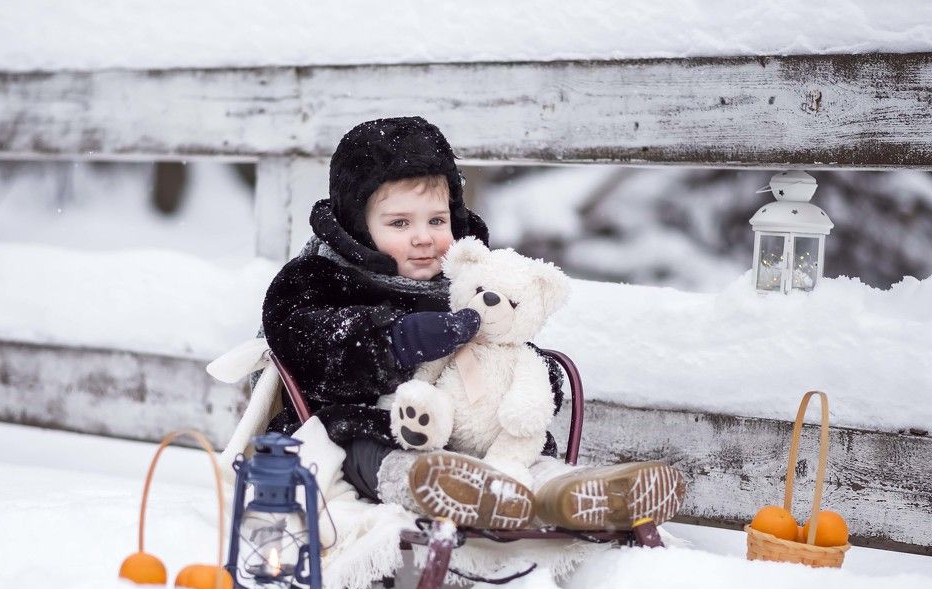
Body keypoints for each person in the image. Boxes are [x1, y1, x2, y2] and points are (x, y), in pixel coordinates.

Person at [261, 116, 685, 530]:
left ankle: (573, 492)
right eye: (399, 223)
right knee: (373, 450)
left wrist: (534, 378)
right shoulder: (320, 278)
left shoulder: (467, 281)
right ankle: (437, 487)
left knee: (522, 453)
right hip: (369, 426)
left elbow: (509, 344)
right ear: (357, 225)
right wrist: (394, 341)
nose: (423, 236)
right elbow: (305, 341)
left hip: (475, 434)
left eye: (437, 220)